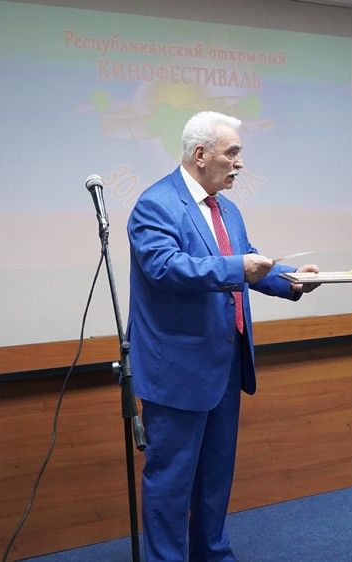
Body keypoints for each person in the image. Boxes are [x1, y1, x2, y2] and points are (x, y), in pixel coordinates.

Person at [127, 110, 319, 562]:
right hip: (177, 371)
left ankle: (212, 554)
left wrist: (294, 280)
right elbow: (165, 267)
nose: (240, 163)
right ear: (200, 154)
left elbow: (249, 260)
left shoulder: (227, 209)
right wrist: (238, 268)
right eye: (232, 153)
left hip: (225, 365)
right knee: (171, 482)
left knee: (215, 476)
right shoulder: (155, 204)